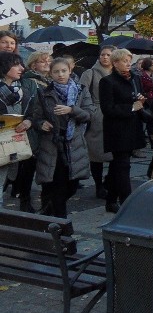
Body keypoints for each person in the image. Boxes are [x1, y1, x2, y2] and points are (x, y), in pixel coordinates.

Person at [30, 58, 93, 218]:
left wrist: (71, 110)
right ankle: (62, 226)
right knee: (58, 186)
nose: (60, 74)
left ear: (70, 71)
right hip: (53, 145)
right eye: (56, 71)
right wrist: (41, 124)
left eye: (63, 71)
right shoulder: (44, 93)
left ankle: (48, 210)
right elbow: (35, 117)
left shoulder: (81, 90)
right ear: (50, 74)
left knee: (72, 185)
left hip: (74, 144)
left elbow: (89, 114)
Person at [99, 48, 148, 212]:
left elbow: (137, 98)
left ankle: (111, 200)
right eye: (125, 61)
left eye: (130, 60)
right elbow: (108, 108)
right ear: (115, 63)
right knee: (123, 166)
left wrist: (140, 101)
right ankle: (127, 202)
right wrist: (131, 107)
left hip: (132, 128)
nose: (128, 64)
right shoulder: (107, 81)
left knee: (117, 166)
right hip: (117, 131)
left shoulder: (135, 79)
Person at [15, 51, 52, 212]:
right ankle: (25, 200)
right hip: (32, 130)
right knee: (28, 167)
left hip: (46, 130)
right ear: (33, 65)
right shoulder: (29, 82)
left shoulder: (49, 80)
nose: (46, 63)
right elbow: (28, 106)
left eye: (48, 61)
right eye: (42, 61)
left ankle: (45, 201)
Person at [79, 44, 114, 201]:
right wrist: (91, 112)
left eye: (108, 55)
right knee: (96, 154)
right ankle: (98, 185)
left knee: (116, 154)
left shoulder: (119, 72)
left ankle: (109, 181)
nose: (105, 57)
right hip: (97, 116)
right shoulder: (90, 73)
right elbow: (81, 93)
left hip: (115, 115)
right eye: (102, 54)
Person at [0, 52, 34, 206]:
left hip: (12, 148)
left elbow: (32, 113)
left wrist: (28, 121)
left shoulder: (21, 91)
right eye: (16, 64)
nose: (22, 68)